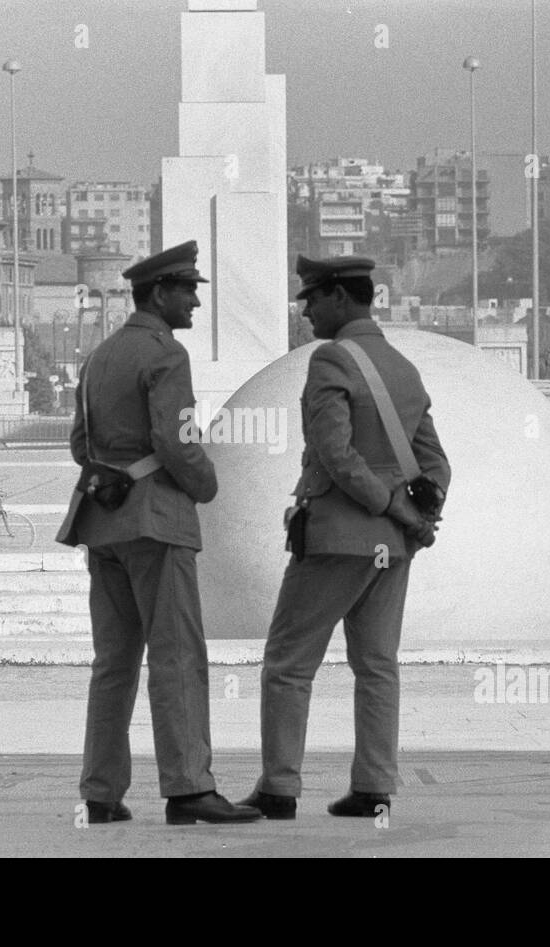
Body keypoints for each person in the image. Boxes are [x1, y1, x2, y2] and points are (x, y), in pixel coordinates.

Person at [239, 255, 451, 821]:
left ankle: (280, 786)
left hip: (337, 536)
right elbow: (435, 463)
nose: (305, 310)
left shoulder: (332, 359)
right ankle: (374, 785)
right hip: (392, 547)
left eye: (311, 298)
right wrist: (415, 516)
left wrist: (391, 509)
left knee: (288, 663)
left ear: (339, 297)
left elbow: (335, 454)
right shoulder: (402, 367)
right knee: (377, 664)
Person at [57, 240, 260, 827]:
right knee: (177, 657)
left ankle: (101, 792)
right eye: (188, 289)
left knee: (113, 662)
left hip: (103, 523)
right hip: (157, 522)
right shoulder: (165, 355)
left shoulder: (101, 356)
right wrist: (206, 483)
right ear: (160, 292)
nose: (195, 300)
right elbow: (176, 442)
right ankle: (189, 787)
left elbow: (79, 446)